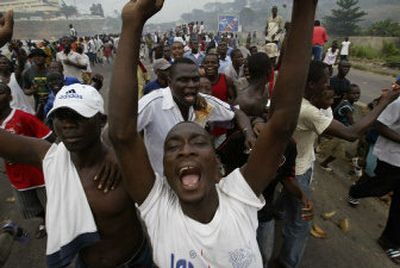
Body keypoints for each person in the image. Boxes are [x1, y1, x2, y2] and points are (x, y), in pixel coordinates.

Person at [108, 0, 317, 267]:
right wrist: (132, 22)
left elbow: (281, 124)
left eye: (198, 141)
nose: (185, 150)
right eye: (172, 147)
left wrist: (305, 7)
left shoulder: (239, 195)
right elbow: (122, 134)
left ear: (215, 158)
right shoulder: (158, 206)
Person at [278, 61, 400, 268]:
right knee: (300, 225)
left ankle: (277, 212)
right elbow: (351, 134)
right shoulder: (306, 111)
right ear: (310, 85)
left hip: (301, 165)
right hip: (297, 172)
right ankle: (287, 263)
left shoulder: (300, 99)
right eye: (325, 82)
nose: (330, 86)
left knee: (288, 204)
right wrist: (384, 102)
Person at [348, 83, 400, 265]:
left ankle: (390, 241)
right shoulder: (398, 102)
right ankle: (355, 191)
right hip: (392, 158)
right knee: (379, 188)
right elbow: (378, 124)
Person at [0, 82, 55, 239]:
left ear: (10, 96)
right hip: (17, 176)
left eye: (1, 92)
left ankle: (56, 223)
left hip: (38, 172)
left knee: (51, 201)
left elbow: (49, 137)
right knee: (29, 205)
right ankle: (44, 221)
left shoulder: (23, 117)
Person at [319, 84, 361, 171]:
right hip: (338, 132)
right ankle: (318, 154)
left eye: (358, 93)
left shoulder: (347, 104)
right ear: (346, 94)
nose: (356, 95)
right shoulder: (346, 107)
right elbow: (352, 122)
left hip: (341, 133)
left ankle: (323, 162)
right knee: (329, 148)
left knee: (338, 152)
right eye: (353, 94)